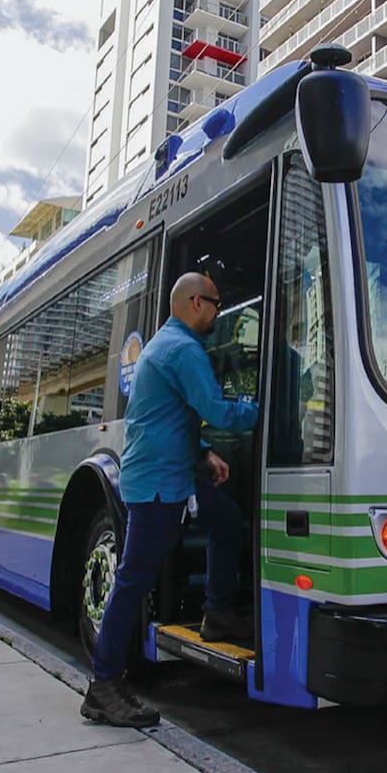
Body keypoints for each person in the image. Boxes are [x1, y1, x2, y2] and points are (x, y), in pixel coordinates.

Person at [81, 272, 259, 729]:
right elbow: (217, 411)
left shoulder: (163, 345)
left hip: (169, 470)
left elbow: (161, 416)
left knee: (225, 518)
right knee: (133, 580)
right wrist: (271, 403)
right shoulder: (183, 350)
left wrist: (203, 454)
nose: (219, 315)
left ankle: (216, 612)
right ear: (197, 303)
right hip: (160, 481)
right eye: (217, 305)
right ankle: (103, 686)